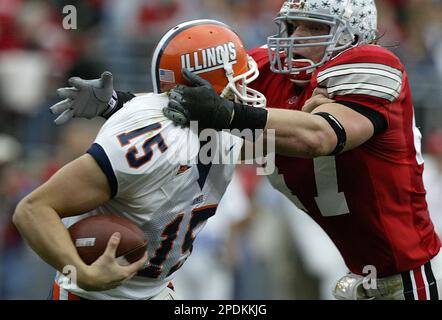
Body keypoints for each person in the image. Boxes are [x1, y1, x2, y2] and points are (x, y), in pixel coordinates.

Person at [54, 1, 442, 300]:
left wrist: (231, 114)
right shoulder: (270, 72)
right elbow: (195, 100)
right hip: (360, 270)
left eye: (315, 27)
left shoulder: (373, 63)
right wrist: (119, 102)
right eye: (291, 25)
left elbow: (320, 136)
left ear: (354, 35)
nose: (296, 36)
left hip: (410, 275)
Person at [13, 19, 266, 300]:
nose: (247, 89)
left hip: (156, 290)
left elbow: (299, 139)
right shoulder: (151, 142)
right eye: (238, 81)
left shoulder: (227, 129)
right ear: (206, 86)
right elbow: (33, 209)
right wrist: (82, 272)